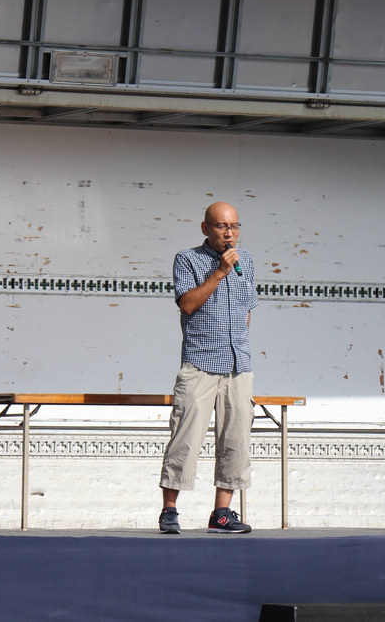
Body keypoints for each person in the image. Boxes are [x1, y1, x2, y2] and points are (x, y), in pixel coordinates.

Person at [158, 201, 258, 534]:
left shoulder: (247, 261)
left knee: (235, 440)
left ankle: (221, 513)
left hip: (238, 364)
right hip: (200, 362)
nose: (229, 233)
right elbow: (187, 304)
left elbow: (247, 309)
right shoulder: (188, 259)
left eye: (234, 226)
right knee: (185, 438)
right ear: (206, 228)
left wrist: (240, 342)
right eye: (221, 226)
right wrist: (219, 273)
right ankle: (170, 511)